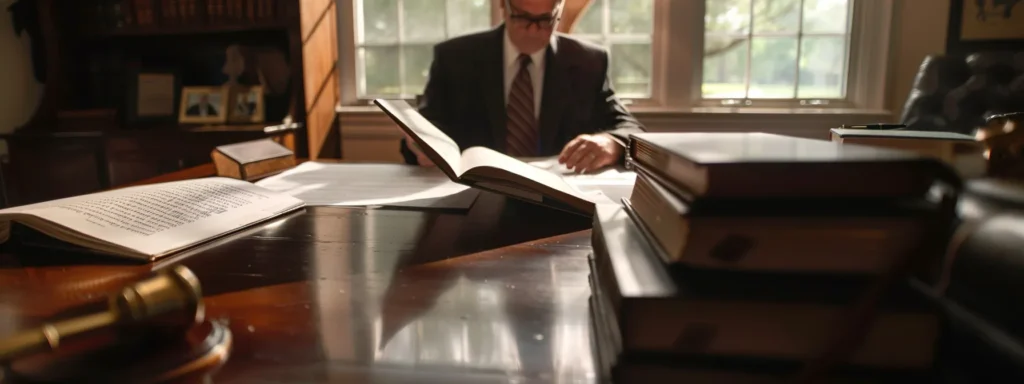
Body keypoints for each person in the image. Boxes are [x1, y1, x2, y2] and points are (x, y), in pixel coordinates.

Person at [400, 0, 644, 173]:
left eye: (545, 20)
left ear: (559, 10)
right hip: (470, 197)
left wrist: (611, 143)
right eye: (523, 17)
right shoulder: (455, 57)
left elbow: (631, 129)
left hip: (559, 202)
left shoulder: (588, 61)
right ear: (503, 7)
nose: (533, 29)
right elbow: (427, 129)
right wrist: (418, 144)